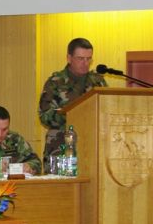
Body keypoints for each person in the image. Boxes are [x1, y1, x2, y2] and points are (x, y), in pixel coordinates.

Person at [38, 37, 107, 172]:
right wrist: (71, 113)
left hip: (91, 147)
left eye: (89, 59)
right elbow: (44, 117)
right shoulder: (55, 82)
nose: (85, 63)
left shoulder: (98, 82)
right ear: (69, 58)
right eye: (80, 58)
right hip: (61, 147)